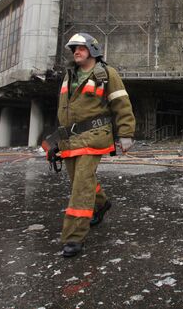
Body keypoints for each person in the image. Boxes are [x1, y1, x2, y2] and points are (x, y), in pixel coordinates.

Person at [53, 33, 135, 257]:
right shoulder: (70, 76)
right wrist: (56, 140)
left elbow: (121, 103)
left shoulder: (107, 73)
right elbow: (64, 111)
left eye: (81, 48)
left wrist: (125, 133)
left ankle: (73, 236)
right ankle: (101, 204)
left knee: (81, 185)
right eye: (74, 49)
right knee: (79, 181)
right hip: (70, 139)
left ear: (93, 49)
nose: (76, 52)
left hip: (95, 135)